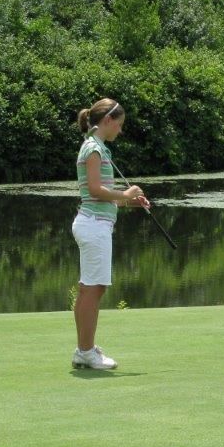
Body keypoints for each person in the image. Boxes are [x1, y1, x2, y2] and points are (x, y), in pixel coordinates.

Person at [70, 99, 146, 370]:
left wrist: (128, 201)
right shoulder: (93, 148)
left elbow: (103, 195)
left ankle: (85, 348)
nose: (120, 130)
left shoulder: (98, 148)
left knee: (90, 288)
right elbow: (93, 190)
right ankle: (86, 351)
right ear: (107, 121)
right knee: (93, 289)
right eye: (120, 124)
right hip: (93, 224)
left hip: (96, 222)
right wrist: (124, 194)